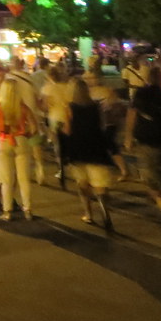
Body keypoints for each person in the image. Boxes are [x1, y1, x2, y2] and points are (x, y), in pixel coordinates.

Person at [125, 66, 161, 223]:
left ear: (147, 78)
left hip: (146, 142)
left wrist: (128, 137)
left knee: (149, 178)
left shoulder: (140, 94)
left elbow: (131, 115)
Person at [64, 79, 116, 229]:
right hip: (96, 146)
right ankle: (104, 210)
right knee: (100, 183)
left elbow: (68, 130)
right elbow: (103, 125)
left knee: (82, 183)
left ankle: (88, 214)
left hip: (78, 148)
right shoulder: (96, 107)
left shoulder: (70, 108)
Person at [0, 79, 39, 222]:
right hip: (20, 140)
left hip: (2, 140)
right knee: (24, 178)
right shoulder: (22, 107)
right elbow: (34, 127)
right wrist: (26, 135)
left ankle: (7, 211)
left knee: (6, 179)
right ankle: (28, 210)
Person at [40, 66, 75, 187]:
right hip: (67, 118)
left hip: (54, 118)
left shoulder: (46, 89)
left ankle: (60, 169)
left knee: (56, 145)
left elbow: (44, 107)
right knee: (69, 143)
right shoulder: (67, 87)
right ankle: (71, 165)